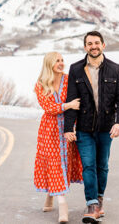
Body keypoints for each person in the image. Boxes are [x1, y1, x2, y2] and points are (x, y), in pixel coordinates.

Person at [64, 31, 119, 223]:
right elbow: (71, 100)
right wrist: (69, 127)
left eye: (96, 43)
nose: (93, 46)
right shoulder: (76, 69)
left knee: (102, 166)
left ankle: (99, 200)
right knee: (88, 165)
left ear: (103, 45)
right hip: (84, 129)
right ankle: (91, 204)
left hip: (106, 128)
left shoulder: (114, 69)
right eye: (89, 43)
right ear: (85, 47)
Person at [34, 52, 83, 224]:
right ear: (49, 63)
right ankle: (62, 205)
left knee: (63, 163)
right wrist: (68, 105)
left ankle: (50, 196)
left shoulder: (70, 79)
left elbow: (80, 99)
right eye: (57, 61)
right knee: (54, 162)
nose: (61, 63)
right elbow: (48, 107)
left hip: (69, 126)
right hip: (49, 129)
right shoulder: (40, 84)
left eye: (62, 60)